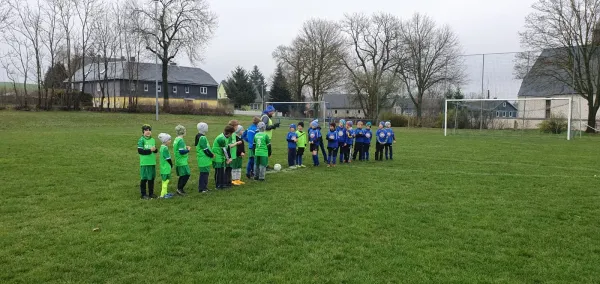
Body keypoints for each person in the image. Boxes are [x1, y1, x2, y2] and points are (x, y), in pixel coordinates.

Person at [137, 124, 158, 199]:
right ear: (143, 132)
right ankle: (143, 194)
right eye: (146, 130)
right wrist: (150, 150)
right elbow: (140, 151)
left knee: (151, 178)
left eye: (149, 130)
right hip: (145, 163)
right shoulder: (141, 140)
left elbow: (155, 150)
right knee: (144, 178)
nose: (148, 132)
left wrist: (155, 150)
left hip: (152, 162)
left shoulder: (153, 139)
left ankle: (151, 193)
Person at [212, 125, 235, 189]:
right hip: (217, 156)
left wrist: (229, 157)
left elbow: (227, 148)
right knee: (218, 171)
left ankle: (221, 184)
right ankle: (218, 185)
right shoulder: (221, 138)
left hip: (221, 156)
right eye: (232, 133)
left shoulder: (227, 138)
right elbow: (224, 150)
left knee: (222, 171)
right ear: (229, 133)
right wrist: (228, 159)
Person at [195, 122, 214, 193]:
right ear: (203, 128)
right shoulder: (202, 137)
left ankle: (204, 187)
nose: (207, 128)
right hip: (203, 158)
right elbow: (205, 149)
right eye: (206, 126)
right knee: (204, 173)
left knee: (205, 173)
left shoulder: (199, 136)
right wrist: (211, 155)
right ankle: (202, 188)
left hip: (203, 158)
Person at [261, 106, 280, 170]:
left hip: (266, 137)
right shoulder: (265, 117)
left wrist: (274, 126)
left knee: (266, 152)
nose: (273, 113)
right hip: (265, 137)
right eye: (272, 112)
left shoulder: (267, 117)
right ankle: (264, 166)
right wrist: (273, 126)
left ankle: (265, 165)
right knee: (265, 152)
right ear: (269, 111)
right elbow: (265, 127)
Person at [173, 125, 191, 195]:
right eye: (185, 130)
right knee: (186, 174)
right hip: (182, 161)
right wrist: (188, 150)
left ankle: (179, 188)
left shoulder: (176, 139)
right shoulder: (181, 141)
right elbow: (181, 151)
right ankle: (180, 189)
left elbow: (178, 148)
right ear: (182, 132)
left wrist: (184, 147)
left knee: (183, 175)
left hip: (178, 160)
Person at [157, 133, 174, 199]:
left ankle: (165, 193)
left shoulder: (162, 147)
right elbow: (168, 158)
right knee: (166, 180)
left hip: (163, 167)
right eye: (169, 140)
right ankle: (162, 195)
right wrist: (171, 164)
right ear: (165, 141)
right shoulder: (165, 149)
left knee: (164, 180)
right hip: (166, 168)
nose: (170, 141)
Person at [225, 120, 240, 188]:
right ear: (233, 126)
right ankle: (226, 182)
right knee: (228, 168)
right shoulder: (230, 134)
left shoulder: (234, 134)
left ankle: (229, 181)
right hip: (229, 154)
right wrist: (236, 143)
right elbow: (229, 145)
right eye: (236, 126)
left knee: (230, 168)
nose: (237, 127)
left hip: (233, 155)